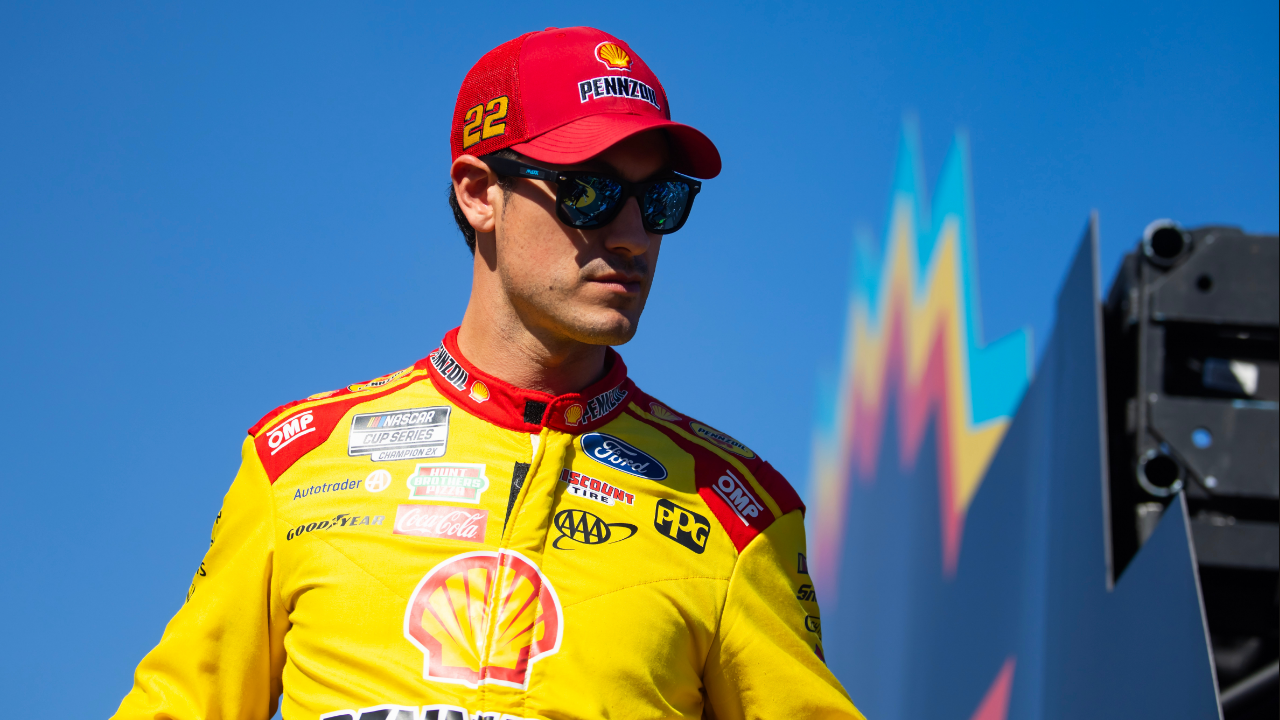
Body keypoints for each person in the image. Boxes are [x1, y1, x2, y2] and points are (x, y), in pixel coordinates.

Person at [113, 26, 863, 720]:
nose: (633, 236)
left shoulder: (741, 512)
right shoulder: (296, 461)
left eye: (660, 200)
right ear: (479, 194)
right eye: (590, 191)